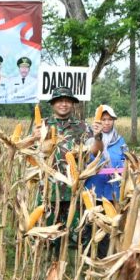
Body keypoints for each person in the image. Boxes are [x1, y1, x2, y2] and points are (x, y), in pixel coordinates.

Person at [38, 87, 90, 256]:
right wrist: (34, 138)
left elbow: (94, 151)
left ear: (73, 104)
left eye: (67, 101)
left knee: (75, 233)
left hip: (73, 190)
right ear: (53, 104)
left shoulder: (82, 126)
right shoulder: (43, 125)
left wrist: (96, 136)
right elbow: (32, 153)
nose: (64, 104)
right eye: (60, 100)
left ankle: (73, 273)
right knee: (47, 233)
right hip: (49, 189)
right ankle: (47, 270)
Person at [83, 105, 126, 257]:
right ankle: (88, 260)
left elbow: (125, 160)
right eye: (103, 120)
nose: (106, 123)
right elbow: (89, 157)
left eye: (109, 120)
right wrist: (97, 136)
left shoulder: (120, 141)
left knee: (108, 229)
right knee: (90, 228)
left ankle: (105, 259)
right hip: (93, 191)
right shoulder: (88, 140)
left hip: (111, 193)